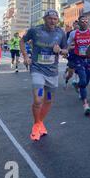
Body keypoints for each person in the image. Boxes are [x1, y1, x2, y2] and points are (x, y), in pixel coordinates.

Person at [20, 9, 68, 141]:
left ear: (57, 20)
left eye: (55, 19)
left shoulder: (60, 33)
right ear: (44, 18)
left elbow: (66, 50)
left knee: (48, 100)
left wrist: (61, 50)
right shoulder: (35, 30)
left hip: (52, 73)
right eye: (50, 18)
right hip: (38, 71)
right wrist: (25, 56)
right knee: (38, 99)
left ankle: (40, 122)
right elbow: (22, 41)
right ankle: (36, 125)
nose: (52, 21)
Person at [67, 16, 90, 115]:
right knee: (83, 79)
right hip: (79, 58)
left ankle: (79, 87)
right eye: (82, 21)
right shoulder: (73, 33)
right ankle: (85, 104)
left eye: (86, 21)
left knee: (86, 80)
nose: (84, 23)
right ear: (78, 23)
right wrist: (70, 47)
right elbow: (68, 44)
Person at [64, 21, 80, 90]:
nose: (76, 26)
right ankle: (66, 80)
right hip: (72, 54)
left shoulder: (84, 34)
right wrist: (65, 52)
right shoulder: (70, 33)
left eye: (77, 24)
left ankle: (77, 83)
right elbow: (67, 44)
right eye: (75, 24)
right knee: (70, 74)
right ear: (73, 25)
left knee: (79, 70)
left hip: (80, 55)